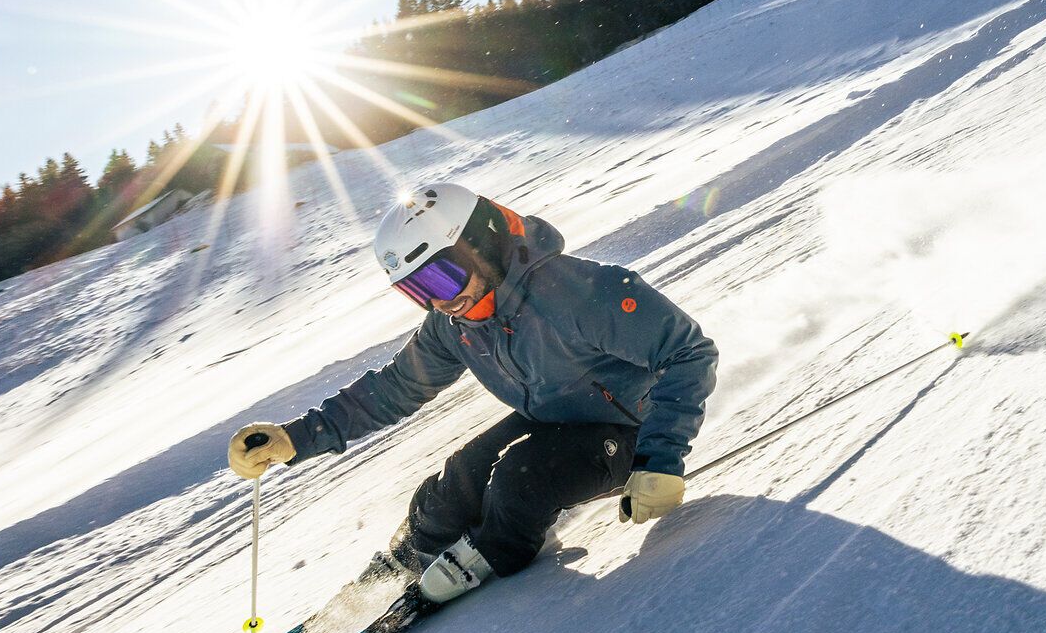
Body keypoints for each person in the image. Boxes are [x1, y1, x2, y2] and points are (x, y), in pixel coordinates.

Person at [226, 182, 718, 604]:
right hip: (555, 420)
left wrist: (660, 460)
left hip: (631, 430)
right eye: (419, 290)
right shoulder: (453, 325)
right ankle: (404, 563)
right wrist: (295, 437)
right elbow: (394, 388)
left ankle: (480, 559)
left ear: (483, 242)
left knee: (518, 484)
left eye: (442, 276)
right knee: (462, 472)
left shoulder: (578, 291)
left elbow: (689, 353)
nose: (441, 300)